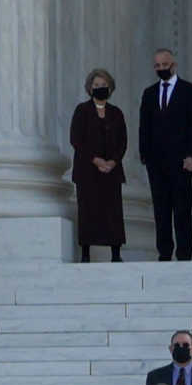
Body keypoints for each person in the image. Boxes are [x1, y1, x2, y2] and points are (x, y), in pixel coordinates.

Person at [137, 51, 192, 261]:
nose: (161, 69)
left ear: (174, 65)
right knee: (161, 209)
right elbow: (144, 126)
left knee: (182, 209)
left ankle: (184, 254)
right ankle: (164, 253)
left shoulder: (190, 91)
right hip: (156, 162)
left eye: (164, 64)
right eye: (157, 66)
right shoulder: (149, 93)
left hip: (182, 161)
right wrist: (145, 155)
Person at [69, 70, 128, 262]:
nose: (99, 88)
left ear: (110, 87)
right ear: (89, 88)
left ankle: (116, 253)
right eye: (96, 86)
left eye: (103, 85)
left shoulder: (116, 113)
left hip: (111, 171)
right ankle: (85, 253)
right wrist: (96, 160)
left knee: (113, 212)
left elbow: (123, 142)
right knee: (87, 211)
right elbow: (76, 140)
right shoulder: (82, 110)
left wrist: (112, 161)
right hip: (88, 170)